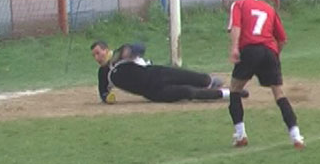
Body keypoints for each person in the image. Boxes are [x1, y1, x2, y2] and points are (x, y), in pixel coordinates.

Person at [227, 0, 304, 149]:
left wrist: (234, 48)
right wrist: (275, 55)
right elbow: (282, 39)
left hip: (250, 49)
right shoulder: (269, 8)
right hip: (269, 50)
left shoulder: (239, 4)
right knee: (278, 92)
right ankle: (296, 136)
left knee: (235, 89)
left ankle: (240, 135)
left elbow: (236, 27)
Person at [90, 40, 246, 104]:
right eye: (94, 55)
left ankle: (209, 82)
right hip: (153, 92)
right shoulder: (103, 73)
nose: (97, 57)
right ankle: (230, 93)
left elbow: (140, 47)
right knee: (189, 92)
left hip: (158, 73)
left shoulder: (120, 52)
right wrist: (108, 98)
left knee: (197, 79)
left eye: (98, 52)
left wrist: (130, 51)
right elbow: (103, 93)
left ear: (106, 49)